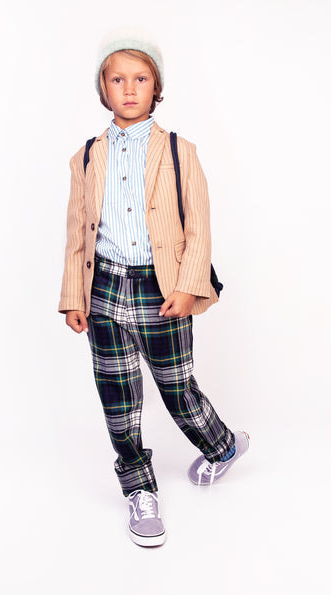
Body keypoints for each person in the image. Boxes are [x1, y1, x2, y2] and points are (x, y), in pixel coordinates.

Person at [59, 28, 249, 547]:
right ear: (103, 88)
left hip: (161, 288)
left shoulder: (179, 151)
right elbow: (78, 233)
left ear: (156, 86)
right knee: (118, 397)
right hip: (103, 290)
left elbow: (199, 227)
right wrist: (74, 296)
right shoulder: (86, 157)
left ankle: (223, 445)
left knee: (176, 387)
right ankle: (139, 488)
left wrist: (189, 286)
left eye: (140, 78)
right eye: (117, 79)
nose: (129, 88)